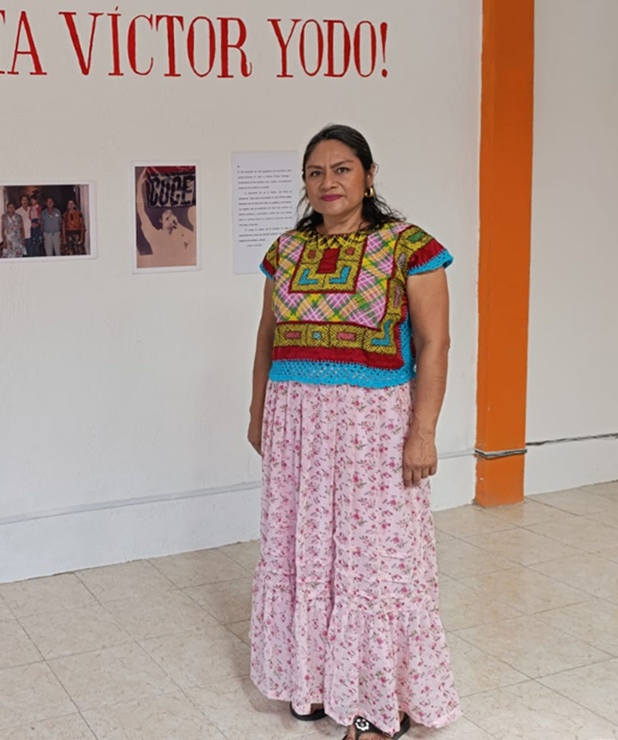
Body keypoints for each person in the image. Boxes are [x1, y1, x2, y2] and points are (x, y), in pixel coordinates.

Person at [248, 124, 460, 740]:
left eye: (341, 169)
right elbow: (267, 338)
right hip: (297, 426)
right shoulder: (286, 250)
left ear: (368, 175)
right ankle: (310, 681)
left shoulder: (409, 247)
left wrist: (423, 432)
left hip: (374, 426)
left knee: (376, 562)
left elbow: (434, 342)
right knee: (303, 549)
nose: (328, 182)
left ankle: (378, 703)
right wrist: (259, 410)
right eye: (315, 172)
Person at [135, 168, 196, 268]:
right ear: (161, 221)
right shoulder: (153, 234)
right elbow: (141, 210)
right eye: (166, 215)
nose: (169, 214)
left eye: (171, 214)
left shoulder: (181, 234)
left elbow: (193, 242)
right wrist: (139, 185)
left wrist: (178, 226)